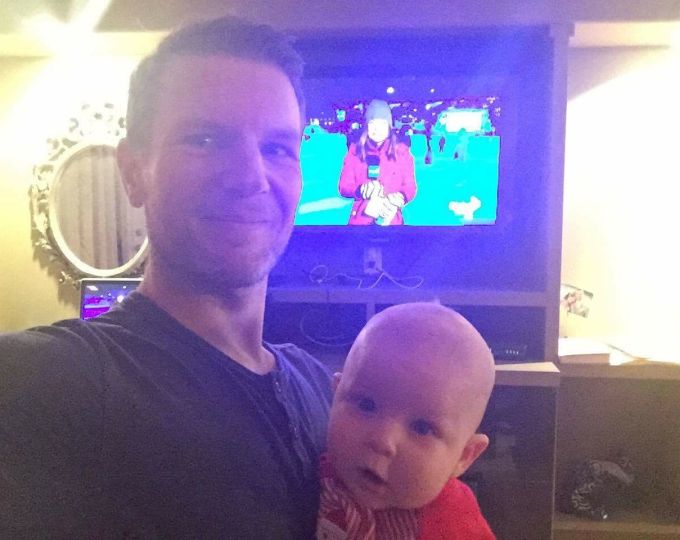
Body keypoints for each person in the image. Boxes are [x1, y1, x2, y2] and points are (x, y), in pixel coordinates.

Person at [0, 17, 332, 539]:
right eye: (205, 139)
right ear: (133, 171)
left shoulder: (320, 388)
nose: (251, 176)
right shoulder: (51, 380)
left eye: (277, 148)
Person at [317, 302, 497, 539]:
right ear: (335, 395)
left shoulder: (455, 524)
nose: (382, 441)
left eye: (422, 428)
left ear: (464, 456)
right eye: (366, 405)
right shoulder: (311, 473)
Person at [338, 99, 417, 225]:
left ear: (389, 127)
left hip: (391, 221)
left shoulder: (402, 153)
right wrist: (361, 190)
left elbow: (410, 186)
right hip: (360, 222)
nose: (376, 129)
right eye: (372, 123)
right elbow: (344, 187)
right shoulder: (355, 152)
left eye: (382, 124)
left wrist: (401, 197)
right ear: (366, 126)